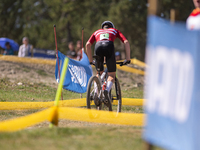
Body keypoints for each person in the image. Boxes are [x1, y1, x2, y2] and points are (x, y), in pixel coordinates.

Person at [86, 21, 130, 101]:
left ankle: (96, 93)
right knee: (111, 75)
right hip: (109, 46)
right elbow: (126, 42)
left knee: (99, 73)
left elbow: (88, 44)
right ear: (112, 27)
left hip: (98, 46)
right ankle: (106, 90)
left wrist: (90, 61)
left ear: (103, 27)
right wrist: (128, 58)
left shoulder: (97, 32)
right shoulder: (114, 30)